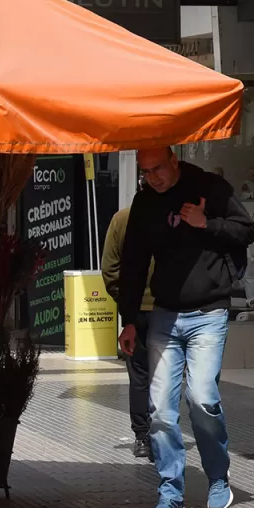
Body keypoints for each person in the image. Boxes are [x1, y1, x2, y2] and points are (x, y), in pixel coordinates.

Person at [117, 147, 254, 508]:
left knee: (202, 399)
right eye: (145, 172)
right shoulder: (145, 202)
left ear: (174, 160)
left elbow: (246, 230)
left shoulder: (209, 187)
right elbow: (132, 262)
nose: (153, 178)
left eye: (158, 169)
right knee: (160, 410)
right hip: (164, 314)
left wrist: (205, 223)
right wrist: (128, 319)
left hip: (208, 312)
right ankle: (170, 491)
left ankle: (217, 477)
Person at [102, 196, 155, 460]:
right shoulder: (172, 218)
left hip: (137, 311)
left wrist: (126, 304)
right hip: (167, 309)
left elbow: (109, 270)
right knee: (165, 376)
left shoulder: (121, 219)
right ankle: (159, 434)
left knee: (139, 376)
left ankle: (143, 436)